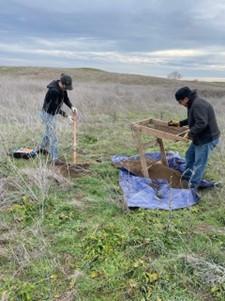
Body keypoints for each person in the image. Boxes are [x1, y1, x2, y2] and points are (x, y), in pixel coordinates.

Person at [168, 86, 220, 189]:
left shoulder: (198, 105)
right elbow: (193, 118)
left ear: (186, 98)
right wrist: (179, 123)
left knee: (199, 163)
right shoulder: (192, 104)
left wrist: (190, 133)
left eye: (180, 102)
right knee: (189, 156)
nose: (180, 104)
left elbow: (201, 123)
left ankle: (193, 186)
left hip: (207, 139)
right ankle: (186, 178)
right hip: (200, 137)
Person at [37, 73, 77, 164]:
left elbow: (65, 98)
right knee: (53, 136)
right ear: (62, 84)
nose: (66, 89)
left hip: (52, 114)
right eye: (65, 87)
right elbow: (55, 108)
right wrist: (67, 116)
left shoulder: (62, 88)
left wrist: (72, 107)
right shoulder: (54, 91)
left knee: (48, 133)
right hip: (47, 114)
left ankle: (41, 148)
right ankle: (55, 159)